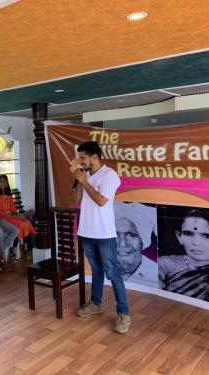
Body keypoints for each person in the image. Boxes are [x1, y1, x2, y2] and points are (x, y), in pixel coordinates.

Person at [70, 141, 131, 334]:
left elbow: (101, 201)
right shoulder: (85, 175)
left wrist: (85, 181)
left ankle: (124, 314)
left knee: (112, 272)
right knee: (96, 271)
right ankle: (95, 304)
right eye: (79, 157)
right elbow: (75, 201)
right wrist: (79, 179)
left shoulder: (110, 175)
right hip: (86, 232)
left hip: (104, 233)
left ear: (94, 157)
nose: (80, 161)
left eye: (83, 157)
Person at [158, 208, 209, 303]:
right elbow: (157, 300)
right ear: (179, 237)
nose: (195, 243)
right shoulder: (165, 264)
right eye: (188, 234)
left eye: (206, 236)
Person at [114, 202, 158, 289]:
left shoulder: (157, 273)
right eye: (115, 235)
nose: (122, 244)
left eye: (131, 235)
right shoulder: (100, 268)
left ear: (143, 242)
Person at [0, 174, 35, 259]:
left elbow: (13, 210)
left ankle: (25, 247)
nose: (2, 183)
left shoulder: (9, 196)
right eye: (0, 181)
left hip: (10, 216)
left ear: (7, 183)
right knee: (20, 224)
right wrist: (14, 216)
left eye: (4, 182)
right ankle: (14, 250)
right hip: (2, 217)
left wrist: (17, 215)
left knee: (26, 222)